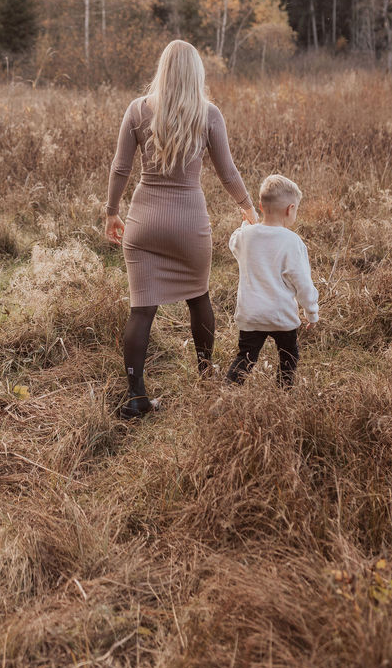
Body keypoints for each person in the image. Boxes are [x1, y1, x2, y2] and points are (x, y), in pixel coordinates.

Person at [105, 39, 257, 418]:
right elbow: (228, 172)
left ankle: (135, 397)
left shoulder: (138, 110)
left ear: (162, 70)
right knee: (199, 297)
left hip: (144, 221)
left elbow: (120, 167)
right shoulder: (208, 114)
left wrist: (112, 212)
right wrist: (249, 208)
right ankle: (206, 375)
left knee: (142, 310)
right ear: (196, 74)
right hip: (189, 223)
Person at [225, 173, 319, 388]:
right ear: (290, 209)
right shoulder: (292, 242)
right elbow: (302, 283)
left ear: (260, 205)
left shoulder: (246, 236)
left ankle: (226, 393)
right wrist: (311, 312)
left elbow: (234, 241)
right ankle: (283, 392)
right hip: (281, 316)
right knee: (289, 356)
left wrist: (245, 224)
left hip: (251, 315)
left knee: (245, 358)